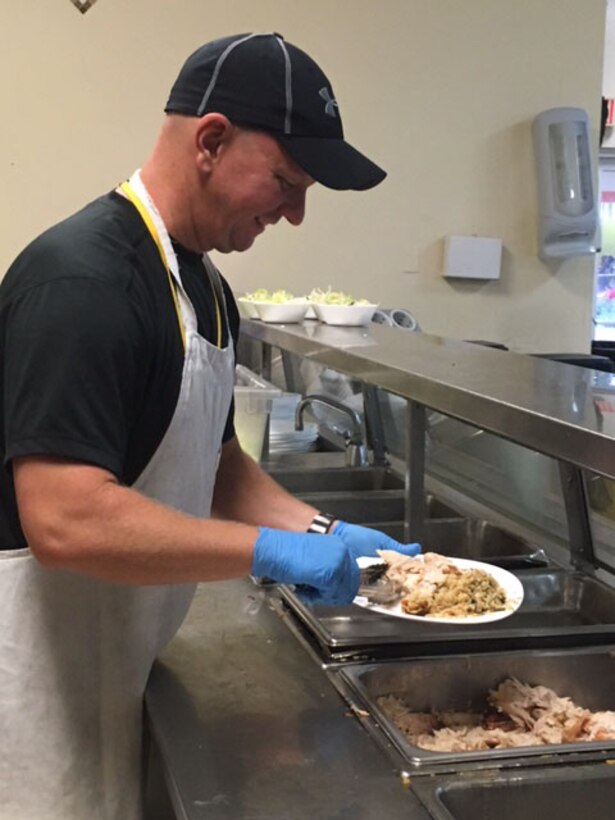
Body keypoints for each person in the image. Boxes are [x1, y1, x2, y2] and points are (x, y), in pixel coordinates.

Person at [0, 32, 420, 820]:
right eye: (287, 182)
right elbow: (63, 517)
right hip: (33, 694)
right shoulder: (81, 280)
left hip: (114, 658)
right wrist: (266, 552)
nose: (293, 214)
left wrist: (323, 527)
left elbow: (219, 465)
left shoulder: (204, 287)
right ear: (211, 140)